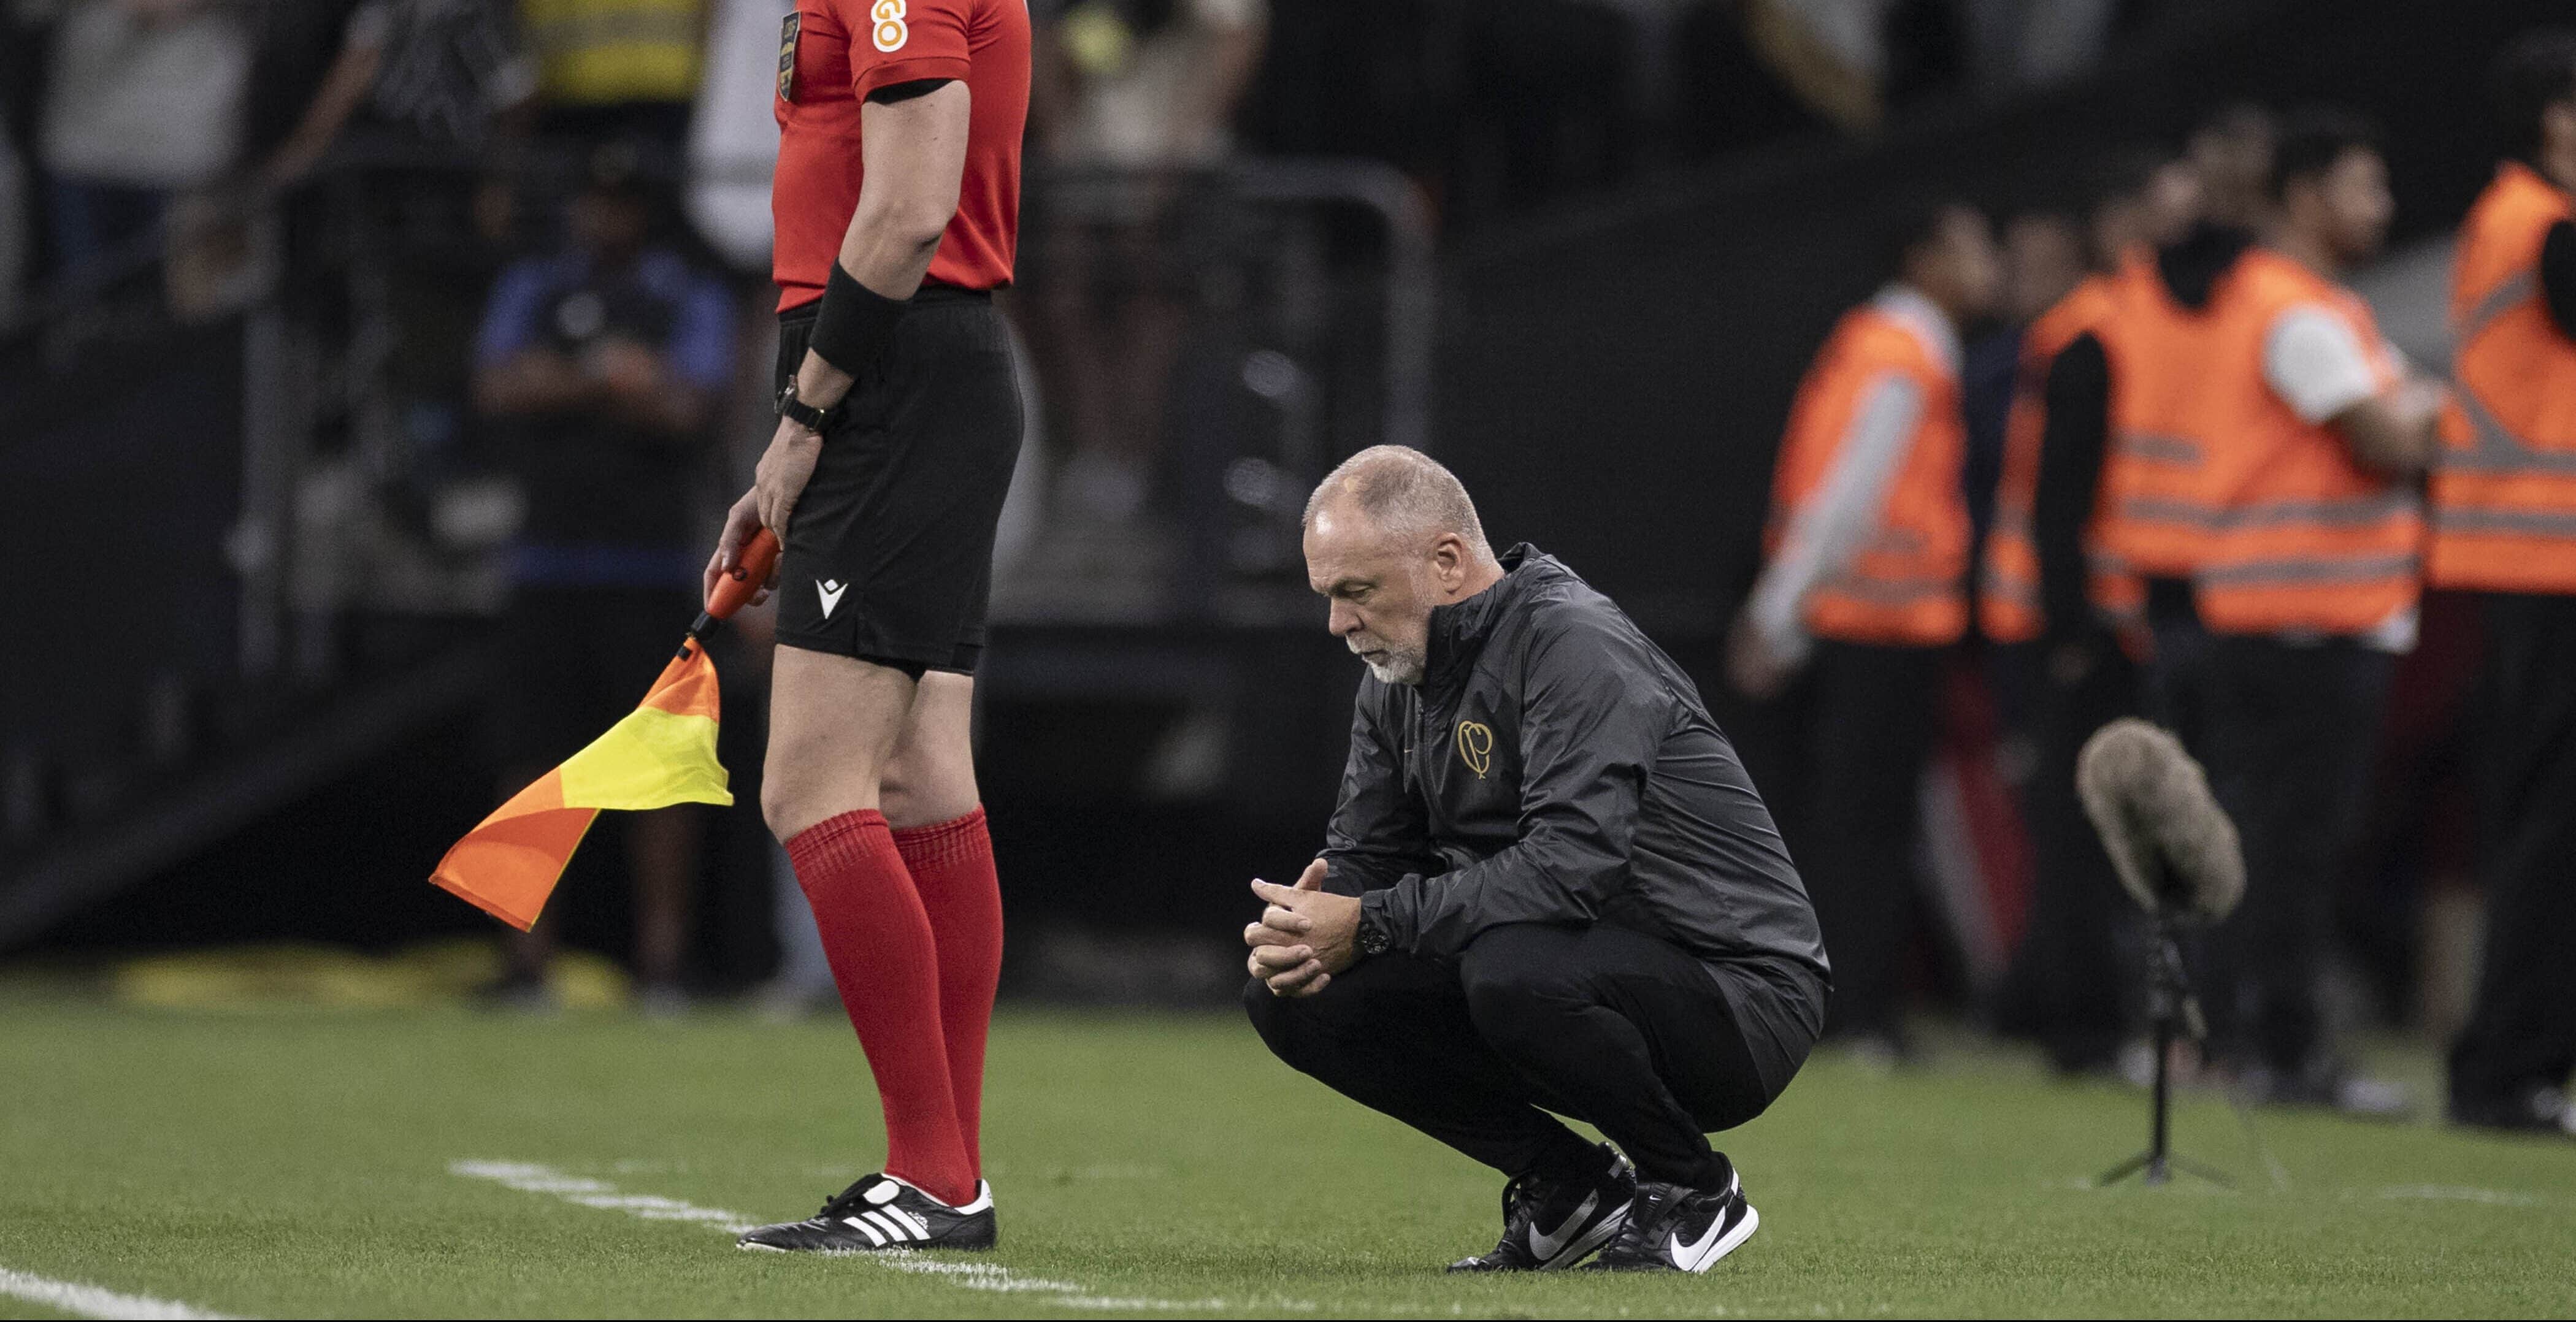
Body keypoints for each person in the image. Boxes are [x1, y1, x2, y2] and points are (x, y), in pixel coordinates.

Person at [1242, 445, 1827, 1275]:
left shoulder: (1571, 642)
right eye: (1328, 597)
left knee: (1510, 969)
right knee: (1292, 994)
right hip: (1555, 963)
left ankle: (1696, 1190)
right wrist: (1313, 922)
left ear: (1447, 563)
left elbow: (1570, 866)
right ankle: (1573, 1189)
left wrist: (1371, 921)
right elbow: (1368, 855)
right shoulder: (1396, 677)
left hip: (1741, 994)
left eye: (1356, 592)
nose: (1338, 623)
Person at [715, 0, 1030, 1253]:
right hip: (907, 369)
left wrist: (804, 421)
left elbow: (909, 207)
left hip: (891, 370)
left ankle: (935, 1175)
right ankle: (947, 1173)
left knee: (807, 784)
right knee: (917, 774)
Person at [2101, 110, 2440, 1112]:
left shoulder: (2288, 300)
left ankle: (2231, 1042)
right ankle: (2279, 1052)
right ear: (2305, 195)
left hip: (2283, 614)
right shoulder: (2293, 309)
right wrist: (2433, 410)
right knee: (2284, 852)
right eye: (2363, 185)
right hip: (2300, 620)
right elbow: (2385, 437)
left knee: (2258, 844)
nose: (2380, 206)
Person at [1728, 199, 2000, 1058]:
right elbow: (1848, 499)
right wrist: (1779, 614)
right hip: (1877, 626)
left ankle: (1850, 1008)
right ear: (1923, 260)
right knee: (1864, 827)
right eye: (1971, 246)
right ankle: (1857, 1014)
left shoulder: (1886, 344)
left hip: (1865, 622)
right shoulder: (1904, 354)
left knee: (1851, 821)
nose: (1986, 264)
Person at [469, 146, 735, 1010]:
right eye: (592, 200)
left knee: (660, 770)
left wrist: (574, 386)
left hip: (650, 564)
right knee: (530, 765)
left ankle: (660, 965)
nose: (602, 218)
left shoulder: (682, 294)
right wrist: (609, 381)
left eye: (619, 204)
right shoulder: (536, 285)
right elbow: (498, 386)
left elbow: (690, 404)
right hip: (546, 560)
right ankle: (526, 964)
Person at [1982, 147, 2198, 1075]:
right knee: (2089, 827)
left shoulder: (2092, 332)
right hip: (2089, 626)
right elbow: (2066, 501)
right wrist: (2073, 628)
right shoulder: (2099, 333)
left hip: (2076, 621)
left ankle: (2057, 1014)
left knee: (2078, 824)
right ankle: (2082, 1026)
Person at [2437, 30, 2576, 1138]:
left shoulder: (2513, 218)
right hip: (2545, 559)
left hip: (2530, 559)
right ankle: (2507, 1067)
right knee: (2548, 830)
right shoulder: (2542, 226)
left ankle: (2518, 1062)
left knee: (2544, 825)